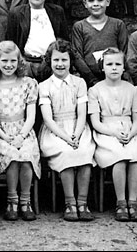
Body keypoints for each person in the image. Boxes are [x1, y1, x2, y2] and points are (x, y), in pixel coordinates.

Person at [37, 39, 96, 222]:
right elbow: (48, 118)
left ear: (71, 61)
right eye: (56, 60)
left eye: (64, 60)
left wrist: (77, 135)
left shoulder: (79, 83)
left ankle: (82, 202)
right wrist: (66, 138)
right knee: (66, 152)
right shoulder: (44, 86)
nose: (60, 64)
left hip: (77, 127)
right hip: (55, 130)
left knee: (85, 152)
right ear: (50, 61)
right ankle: (70, 202)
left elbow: (82, 114)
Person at [88, 48, 137, 222]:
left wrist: (131, 134)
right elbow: (96, 123)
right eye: (109, 64)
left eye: (117, 64)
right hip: (106, 131)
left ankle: (133, 202)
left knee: (136, 155)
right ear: (102, 68)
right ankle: (121, 202)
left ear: (123, 67)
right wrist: (114, 132)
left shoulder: (132, 89)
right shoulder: (95, 90)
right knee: (119, 156)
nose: (114, 68)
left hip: (129, 130)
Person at [0, 41, 40, 222]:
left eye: (13, 61)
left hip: (23, 130)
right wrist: (6, 137)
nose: (9, 65)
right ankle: (12, 201)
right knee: (12, 158)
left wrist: (21, 136)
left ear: (19, 62)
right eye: (4, 61)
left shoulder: (28, 84)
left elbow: (31, 116)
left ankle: (26, 200)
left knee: (25, 155)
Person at [6, 0, 69, 81]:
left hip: (53, 65)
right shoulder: (16, 14)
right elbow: (11, 43)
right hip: (27, 65)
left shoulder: (57, 12)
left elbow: (65, 42)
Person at [72, 0, 129, 87]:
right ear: (85, 3)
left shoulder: (118, 25)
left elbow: (125, 52)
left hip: (115, 79)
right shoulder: (79, 27)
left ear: (107, 2)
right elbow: (77, 56)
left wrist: (119, 74)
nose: (96, 4)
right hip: (90, 81)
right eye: (91, 0)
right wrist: (92, 80)